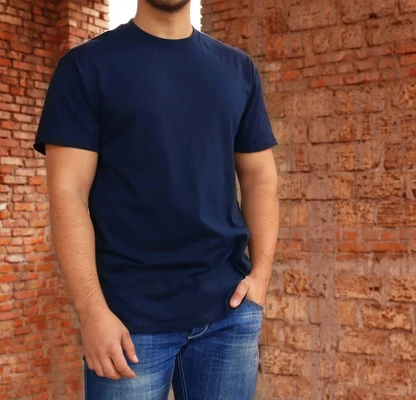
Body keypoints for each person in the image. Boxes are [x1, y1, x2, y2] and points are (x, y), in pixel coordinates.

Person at [33, 0, 278, 398]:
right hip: (127, 324)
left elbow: (259, 176)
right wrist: (92, 311)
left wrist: (261, 276)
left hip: (227, 315)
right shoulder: (85, 67)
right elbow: (68, 193)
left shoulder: (237, 69)